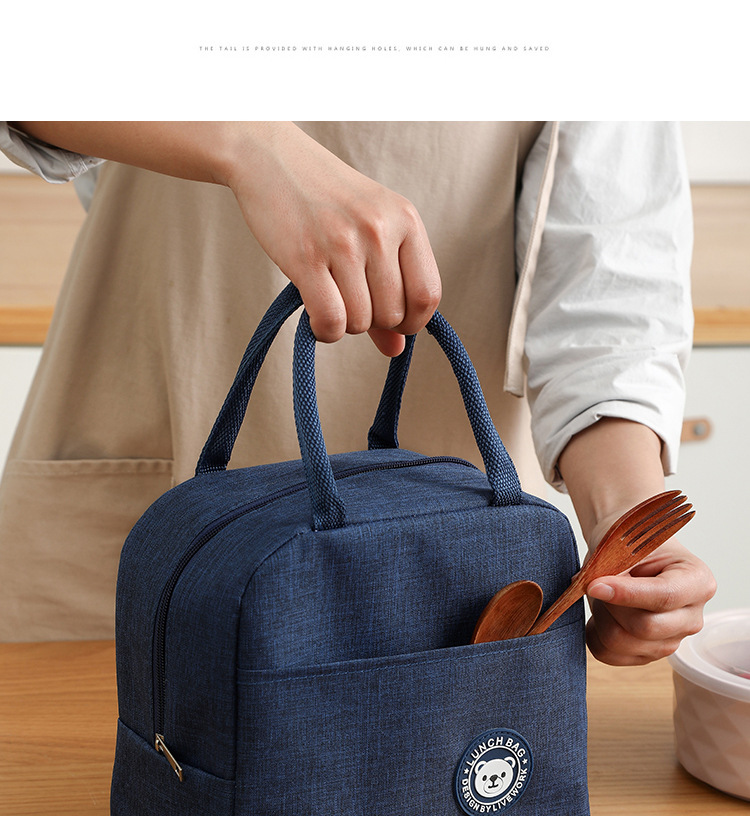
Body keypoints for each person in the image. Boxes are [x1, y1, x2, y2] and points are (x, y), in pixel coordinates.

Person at [0, 120, 716, 662]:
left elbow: (606, 280)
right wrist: (252, 146)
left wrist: (622, 519)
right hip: (143, 497)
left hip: (453, 574)